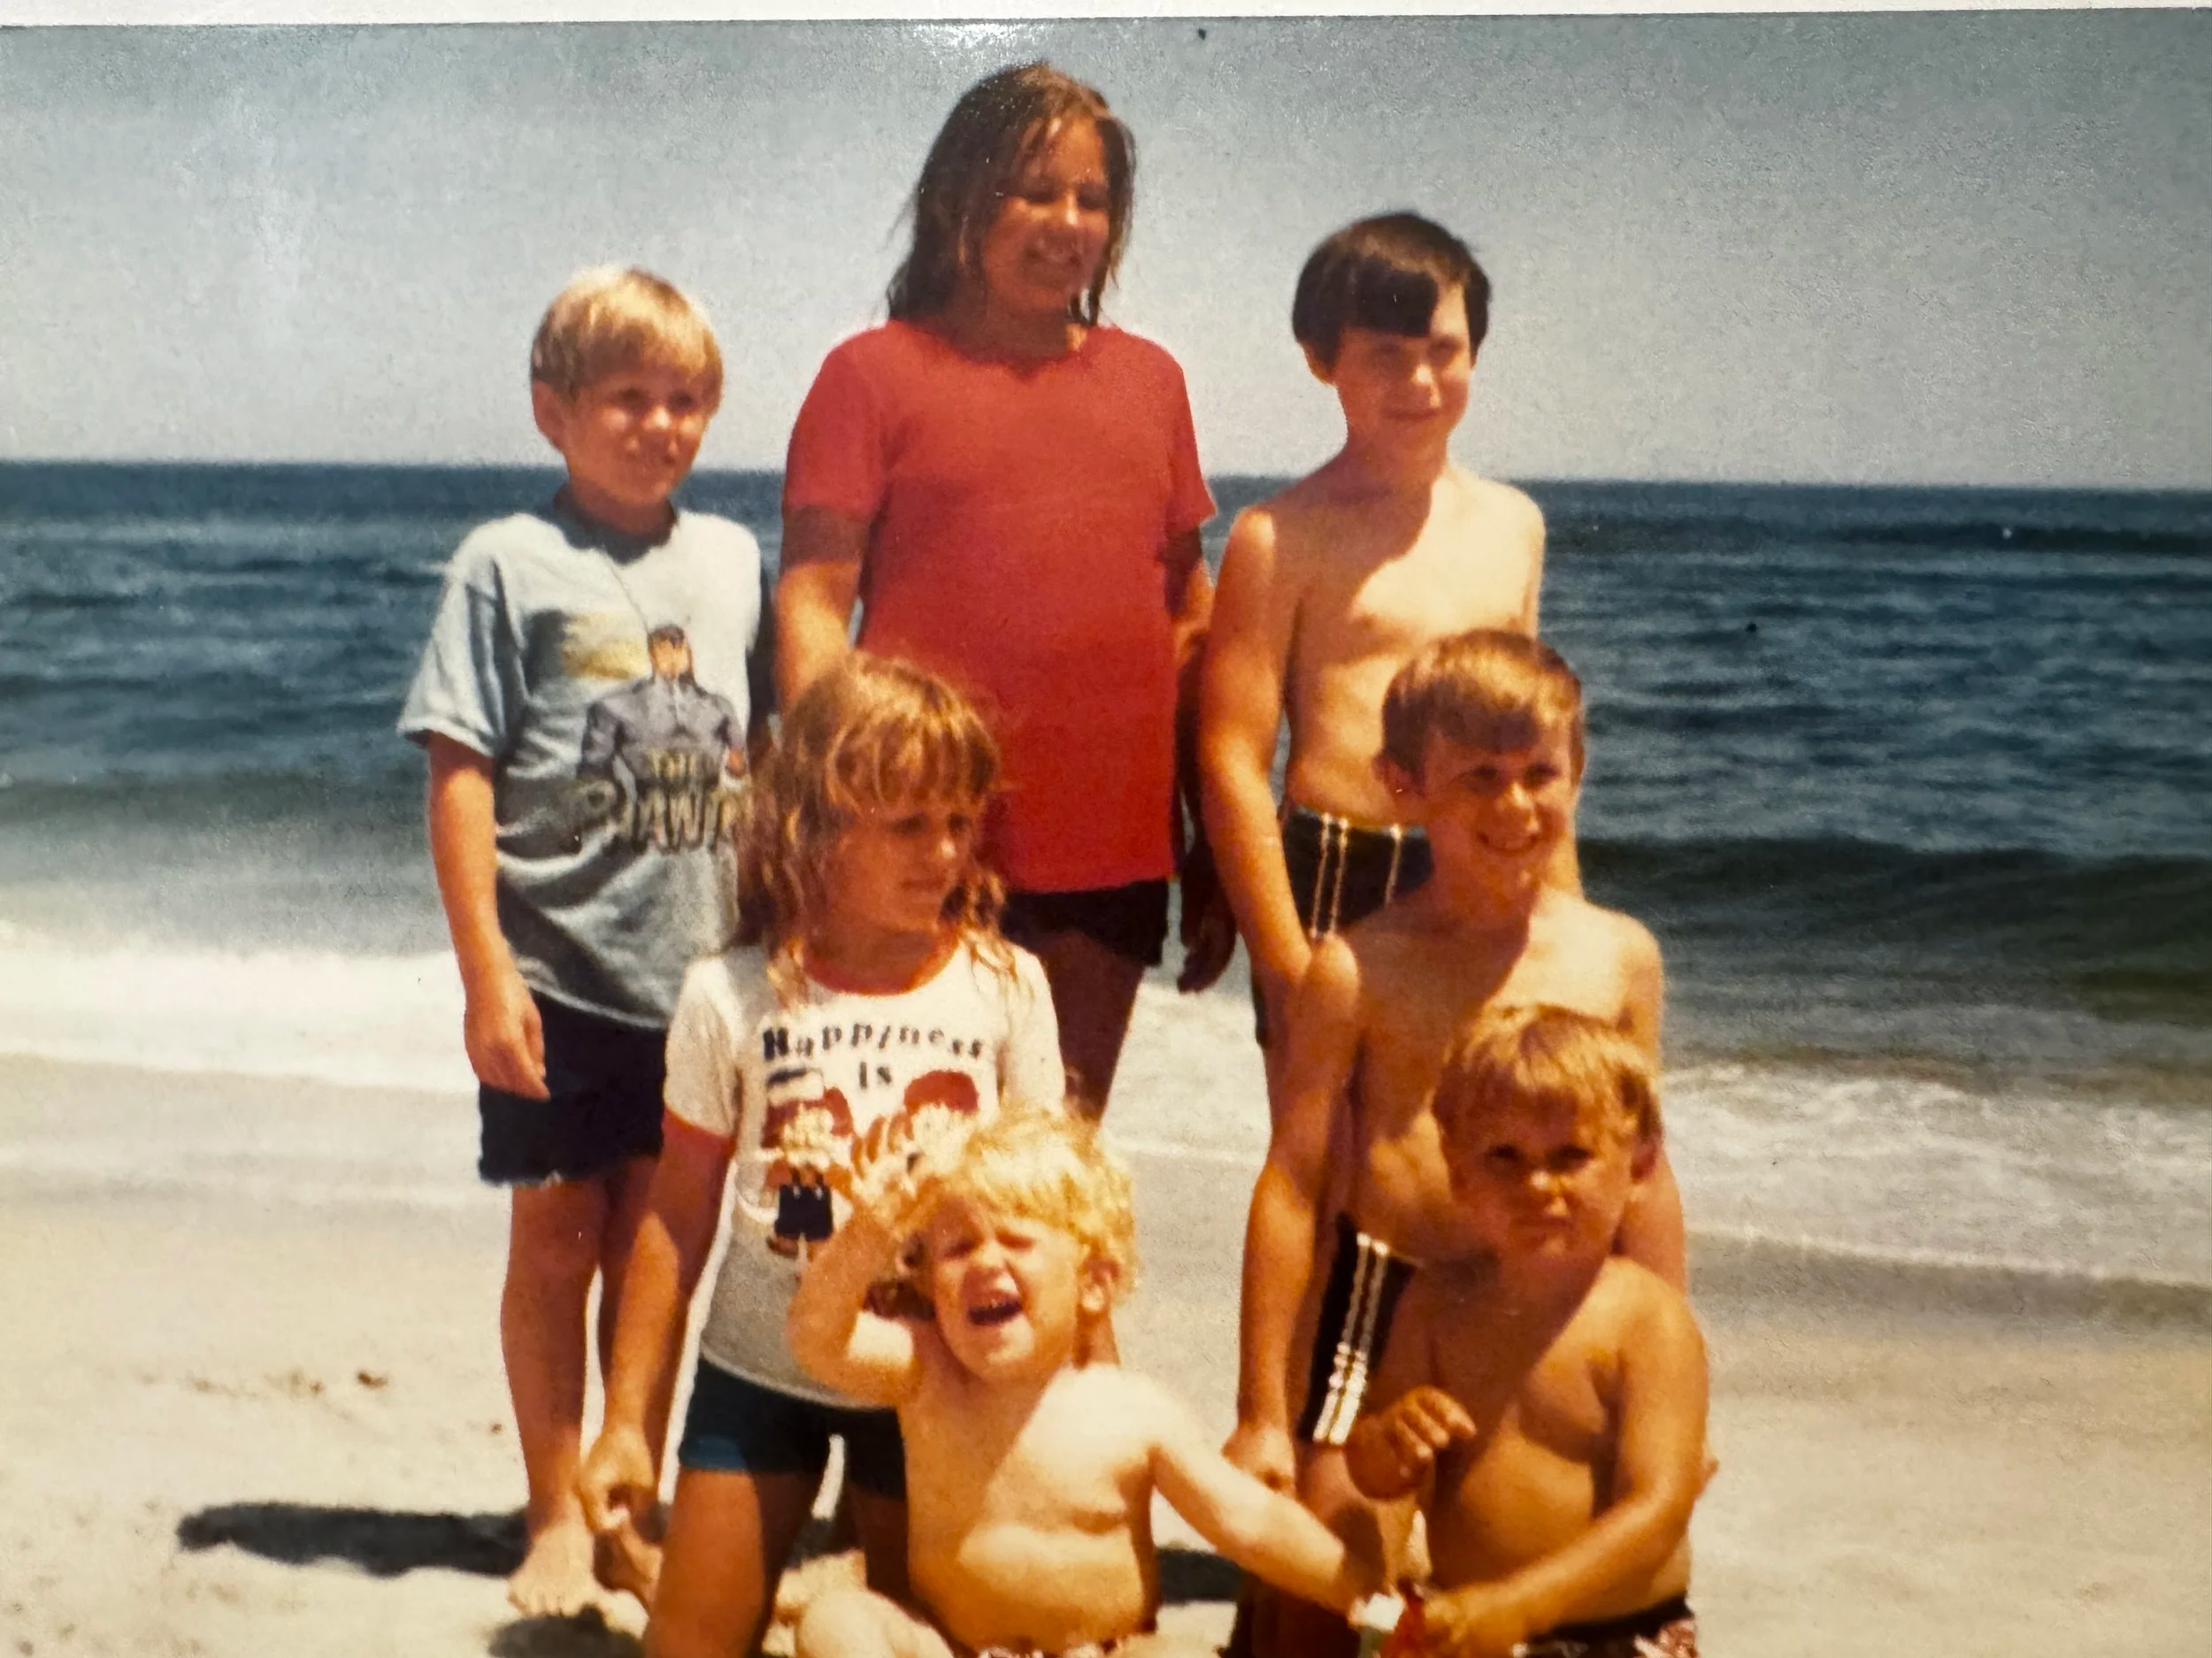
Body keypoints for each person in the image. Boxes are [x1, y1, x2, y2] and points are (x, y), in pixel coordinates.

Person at [397, 265, 768, 1617]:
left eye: (687, 401)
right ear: (554, 410)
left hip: (704, 980)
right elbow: (459, 769)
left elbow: (766, 749)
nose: (660, 424)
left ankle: (631, 1493)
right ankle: (555, 1509)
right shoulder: (506, 560)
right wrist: (486, 973)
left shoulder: (730, 559)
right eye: (628, 398)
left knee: (657, 1251)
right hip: (559, 974)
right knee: (558, 1238)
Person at [576, 654, 1066, 1658]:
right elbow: (675, 1217)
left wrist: (1083, 1397)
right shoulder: (733, 994)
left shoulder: (1006, 987)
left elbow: (1058, 1221)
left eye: (958, 821)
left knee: (912, 1637)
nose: (942, 851)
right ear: (813, 825)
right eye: (906, 823)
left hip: (931, 1378)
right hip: (758, 1370)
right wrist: (628, 1420)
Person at [775, 61, 1233, 1117]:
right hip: (915, 837)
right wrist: (832, 819)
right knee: (901, 1158)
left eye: (1092, 197)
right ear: (960, 200)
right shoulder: (871, 373)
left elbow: (1188, 621)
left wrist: (1206, 840)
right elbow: (809, 603)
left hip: (1110, 848)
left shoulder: (1151, 380)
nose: (1066, 221)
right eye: (1034, 190)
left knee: (1048, 1168)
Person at [1225, 631, 1685, 1658]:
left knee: (1543, 1567)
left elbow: (1645, 1173)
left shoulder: (1617, 956)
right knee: (1319, 1586)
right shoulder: (1360, 966)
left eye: (1539, 775)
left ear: (1578, 774)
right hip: (1380, 1298)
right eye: (1479, 778)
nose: (1515, 807)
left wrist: (1668, 1351)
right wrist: (1261, 1407)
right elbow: (1295, 1182)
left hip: (1551, 1291)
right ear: (1403, 785)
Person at [786, 1105, 1380, 1658]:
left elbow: (1248, 1520)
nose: (986, 1262)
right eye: (958, 1247)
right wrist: (867, 1235)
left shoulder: (1132, 1414)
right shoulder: (927, 1374)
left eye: (1016, 1240)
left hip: (1102, 1649)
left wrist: (1360, 1590)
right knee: (837, 1621)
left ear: (1092, 1283)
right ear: (926, 1285)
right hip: (954, 1647)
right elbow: (819, 1341)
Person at [1199, 213, 1571, 1056]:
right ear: (1322, 360)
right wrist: (1283, 962)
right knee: (1333, 1156)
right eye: (1385, 355)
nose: (1419, 380)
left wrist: (1568, 923)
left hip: (1487, 859)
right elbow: (1230, 758)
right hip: (1341, 864)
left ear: (1476, 351)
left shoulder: (1515, 526)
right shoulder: (1281, 535)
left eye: (1442, 350)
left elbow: (1539, 744)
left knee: (1481, 1145)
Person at [1345, 1006, 1708, 1658]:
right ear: (1457, 1169)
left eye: (1572, 1156)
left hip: (1616, 1635)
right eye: (1504, 1157)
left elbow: (1660, 1508)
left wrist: (1522, 1604)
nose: (1539, 1184)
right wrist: (1388, 1439)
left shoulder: (1648, 1319)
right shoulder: (1434, 1302)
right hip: (1467, 1620)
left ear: (1640, 1166)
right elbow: (1372, 1471)